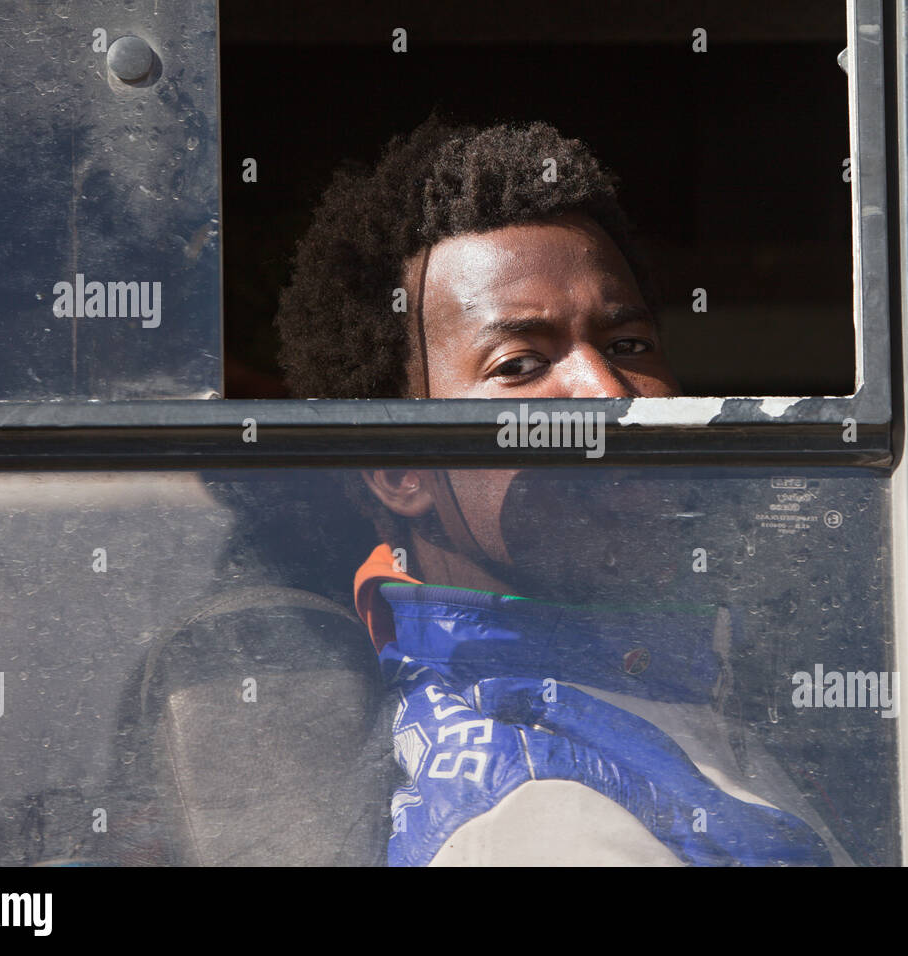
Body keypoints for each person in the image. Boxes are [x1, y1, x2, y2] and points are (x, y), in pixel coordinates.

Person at [275, 116, 847, 865]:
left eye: (628, 346)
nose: (607, 391)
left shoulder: (669, 694)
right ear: (399, 469)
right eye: (519, 364)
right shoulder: (538, 819)